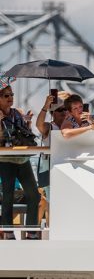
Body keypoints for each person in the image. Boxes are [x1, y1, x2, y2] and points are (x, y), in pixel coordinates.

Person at [0, 77, 41, 239]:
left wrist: (27, 124)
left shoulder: (17, 113)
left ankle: (31, 231)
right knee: (8, 196)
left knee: (34, 194)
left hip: (21, 159)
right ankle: (8, 232)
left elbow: (25, 135)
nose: (10, 98)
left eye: (11, 95)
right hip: (4, 160)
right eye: (6, 96)